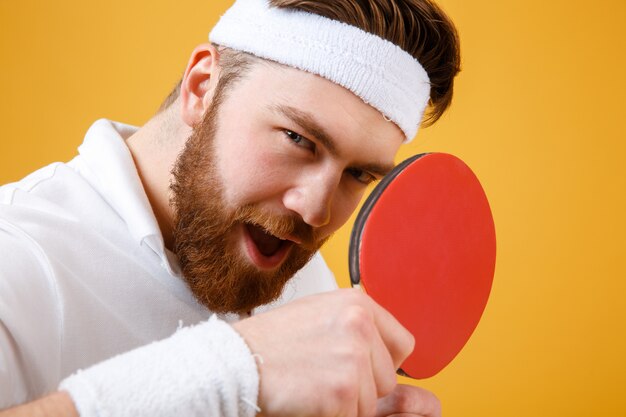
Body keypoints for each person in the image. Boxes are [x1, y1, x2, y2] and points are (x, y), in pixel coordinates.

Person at [0, 0, 460, 415]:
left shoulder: (309, 282)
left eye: (358, 174)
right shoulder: (17, 255)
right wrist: (230, 372)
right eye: (298, 139)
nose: (316, 211)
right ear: (201, 87)